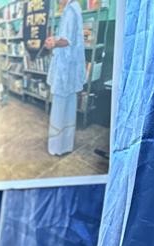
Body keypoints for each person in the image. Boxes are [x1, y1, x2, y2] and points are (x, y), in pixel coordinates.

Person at [46, 0, 85, 157]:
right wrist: (56, 39)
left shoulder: (70, 11)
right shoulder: (75, 8)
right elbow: (69, 38)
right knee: (69, 106)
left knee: (60, 107)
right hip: (70, 68)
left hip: (65, 69)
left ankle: (56, 146)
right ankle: (66, 144)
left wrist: (53, 42)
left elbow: (66, 41)